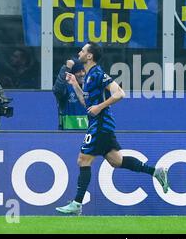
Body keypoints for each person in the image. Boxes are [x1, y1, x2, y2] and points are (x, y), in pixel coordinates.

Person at [55, 42, 169, 215]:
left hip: (100, 124)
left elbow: (119, 93)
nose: (79, 52)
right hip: (99, 123)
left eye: (83, 50)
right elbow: (87, 104)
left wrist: (100, 107)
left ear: (89, 56)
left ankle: (77, 204)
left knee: (83, 160)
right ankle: (156, 171)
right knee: (116, 161)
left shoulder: (99, 74)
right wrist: (75, 85)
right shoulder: (89, 76)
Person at [53, 57, 88, 130]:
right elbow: (57, 90)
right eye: (78, 71)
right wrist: (66, 68)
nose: (82, 74)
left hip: (89, 134)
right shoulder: (66, 88)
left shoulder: (89, 86)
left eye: (83, 71)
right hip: (69, 135)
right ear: (71, 73)